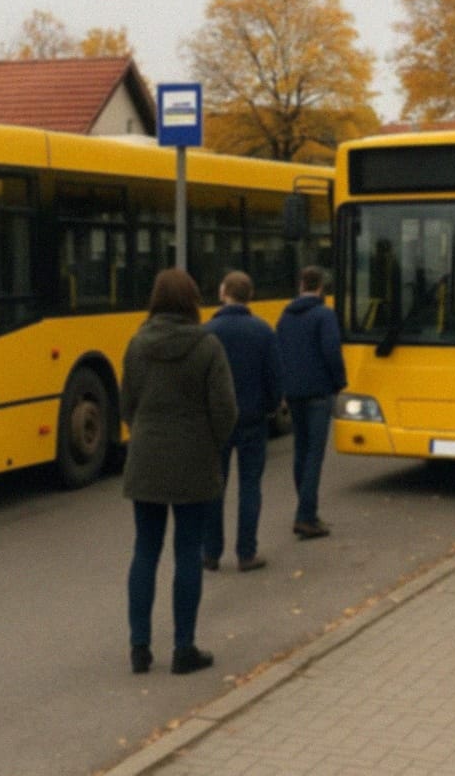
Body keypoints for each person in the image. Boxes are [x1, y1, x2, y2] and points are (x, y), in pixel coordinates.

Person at [120, 269, 239, 675]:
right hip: (194, 460)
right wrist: (210, 445)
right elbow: (225, 410)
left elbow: (127, 404)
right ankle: (183, 649)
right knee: (188, 552)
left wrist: (145, 434)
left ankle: (139, 648)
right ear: (192, 300)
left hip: (147, 459)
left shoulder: (137, 344)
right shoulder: (207, 346)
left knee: (144, 552)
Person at [202, 270, 283, 573]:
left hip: (215, 423)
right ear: (250, 296)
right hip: (252, 419)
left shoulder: (207, 331)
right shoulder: (263, 331)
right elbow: (275, 377)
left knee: (213, 487)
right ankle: (246, 553)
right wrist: (271, 408)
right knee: (250, 485)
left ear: (223, 293)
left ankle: (210, 553)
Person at [276, 265, 347, 540]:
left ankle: (306, 509)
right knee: (314, 455)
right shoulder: (324, 315)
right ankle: (305, 516)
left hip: (293, 393)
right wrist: (339, 381)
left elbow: (278, 353)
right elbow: (331, 351)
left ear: (300, 286)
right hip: (319, 393)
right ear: (321, 288)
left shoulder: (284, 317)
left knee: (301, 451)